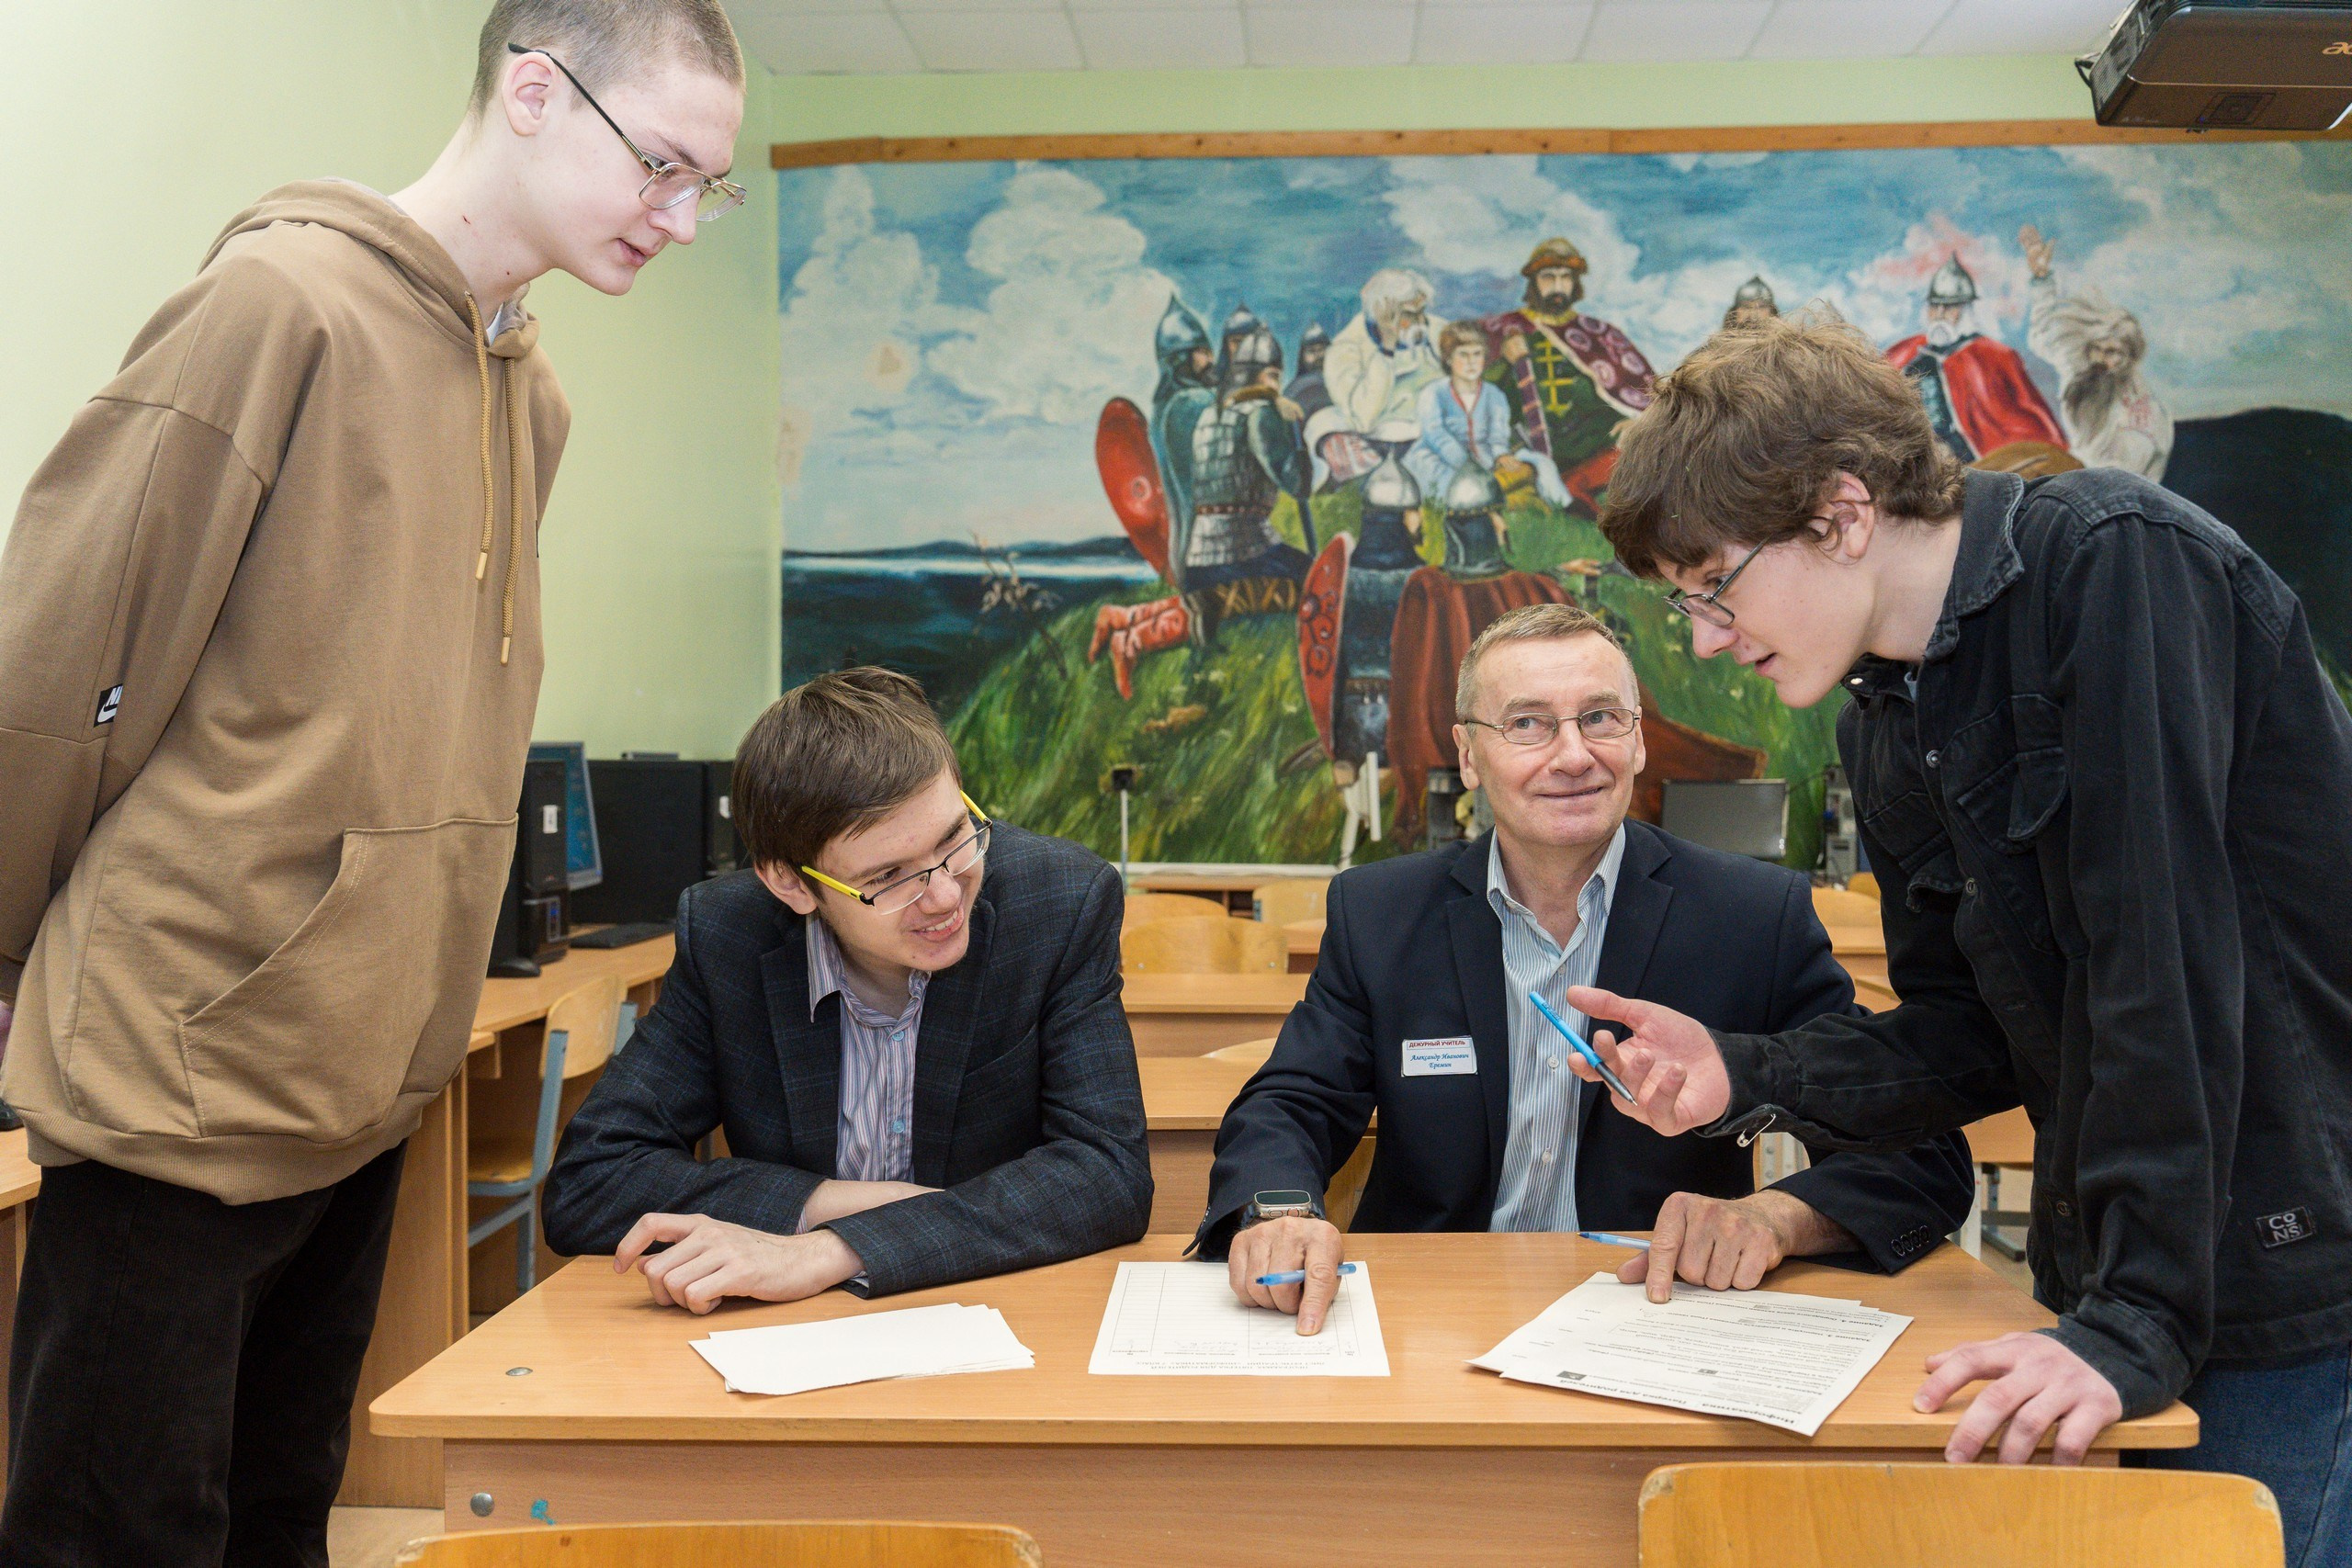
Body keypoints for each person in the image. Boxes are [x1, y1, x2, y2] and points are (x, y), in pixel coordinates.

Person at [0, 3, 746, 1561]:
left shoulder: (527, 394)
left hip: (366, 1074)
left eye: (705, 189)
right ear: (534, 94)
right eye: (663, 170)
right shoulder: (278, 303)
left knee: (287, 1519)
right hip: (177, 1076)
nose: (679, 221)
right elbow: (57, 672)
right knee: (121, 1533)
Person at [1587, 310, 2352, 1563]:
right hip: (2116, 1279)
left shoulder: (2114, 561)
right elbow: (1971, 1036)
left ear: (1839, 512)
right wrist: (1750, 1072)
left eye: (1712, 587)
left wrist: (2134, 1321)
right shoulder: (1886, 716)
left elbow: (2161, 970)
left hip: (2278, 1270)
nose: (1708, 638)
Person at [1202, 604, 1975, 1332]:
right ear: (1470, 755)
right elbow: (1290, 1103)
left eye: (1601, 718)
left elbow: (1918, 1148)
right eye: (1528, 724)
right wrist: (1281, 1215)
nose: (1574, 755)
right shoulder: (1380, 914)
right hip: (1426, 1317)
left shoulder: (1750, 917)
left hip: (1658, 1310)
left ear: (1639, 740)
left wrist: (1772, 1219)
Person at [542, 668, 1153, 1308]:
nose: (946, 895)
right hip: (789, 1333)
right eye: (890, 875)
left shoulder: (1059, 903)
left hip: (998, 1306)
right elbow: (589, 1182)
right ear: (791, 884)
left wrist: (834, 1248)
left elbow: (1108, 1175)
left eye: (955, 838)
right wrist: (830, 1203)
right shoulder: (729, 936)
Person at [1479, 238, 1657, 515]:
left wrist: (1638, 420)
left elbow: (1648, 394)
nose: (1558, 286)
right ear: (1533, 282)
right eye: (1549, 277)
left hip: (1597, 445)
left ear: (1576, 284)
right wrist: (1504, 360)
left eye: (1566, 278)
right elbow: (1475, 394)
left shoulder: (1599, 334)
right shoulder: (1503, 331)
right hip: (1530, 447)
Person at [2018, 224, 2173, 480]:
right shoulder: (2084, 373)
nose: (2102, 359)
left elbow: (2124, 475)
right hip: (2075, 479)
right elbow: (2043, 336)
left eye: (2112, 352)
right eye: (2097, 349)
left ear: (2129, 358)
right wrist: (2042, 278)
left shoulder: (2144, 412)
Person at [1883, 255, 2065, 464]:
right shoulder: (1905, 352)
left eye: (1950, 307)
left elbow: (2027, 415)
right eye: (1935, 306)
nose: (1940, 314)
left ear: (1967, 309)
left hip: (1972, 462)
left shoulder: (1995, 357)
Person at [1406, 321, 1571, 511]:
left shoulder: (1494, 395)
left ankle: (1565, 507)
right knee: (1452, 485)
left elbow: (1497, 435)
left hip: (1486, 455)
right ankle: (1490, 504)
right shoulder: (1433, 393)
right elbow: (1436, 434)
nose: (1471, 362)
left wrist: (1500, 454)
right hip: (1441, 458)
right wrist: (1465, 462)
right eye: (1463, 355)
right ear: (1449, 359)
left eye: (1477, 355)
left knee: (1541, 463)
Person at [1312, 267, 1448, 486]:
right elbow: (1364, 420)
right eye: (1410, 315)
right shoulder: (1346, 348)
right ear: (1383, 314)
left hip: (1432, 431)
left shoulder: (1438, 330)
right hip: (1377, 439)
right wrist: (1387, 348)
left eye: (1422, 311)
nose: (1421, 322)